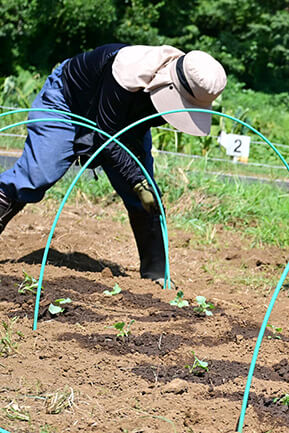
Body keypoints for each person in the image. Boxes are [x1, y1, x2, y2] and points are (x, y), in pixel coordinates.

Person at [0, 45, 227, 280]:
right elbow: (107, 136)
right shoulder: (128, 68)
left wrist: (140, 183)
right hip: (68, 101)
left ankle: (156, 276)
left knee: (146, 196)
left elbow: (123, 134)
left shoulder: (193, 84)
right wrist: (137, 180)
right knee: (39, 174)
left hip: (123, 122)